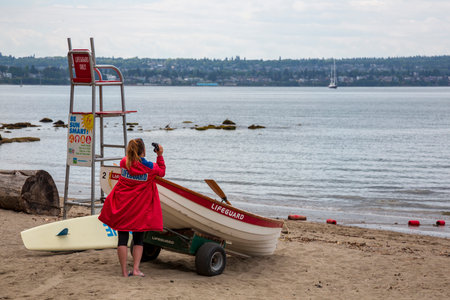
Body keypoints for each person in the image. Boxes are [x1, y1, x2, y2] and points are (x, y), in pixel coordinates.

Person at [98, 138, 165, 277]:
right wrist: (160, 155)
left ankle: (123, 271)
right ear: (144, 150)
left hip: (122, 206)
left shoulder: (124, 163)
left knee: (122, 239)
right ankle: (135, 269)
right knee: (138, 239)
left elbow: (131, 161)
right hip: (139, 209)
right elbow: (162, 172)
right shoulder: (150, 167)